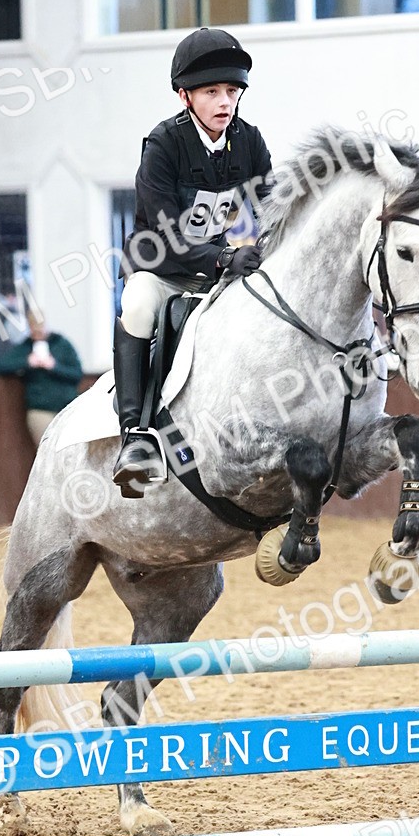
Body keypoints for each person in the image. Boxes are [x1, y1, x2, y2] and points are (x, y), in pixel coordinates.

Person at [113, 26, 274, 492]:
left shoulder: (249, 141)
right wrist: (225, 257)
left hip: (214, 272)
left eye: (232, 92)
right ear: (185, 96)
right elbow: (166, 233)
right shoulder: (162, 145)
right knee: (140, 305)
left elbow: (274, 207)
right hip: (160, 267)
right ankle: (134, 435)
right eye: (211, 92)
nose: (225, 102)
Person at [0, 313, 83, 445]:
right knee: (47, 450)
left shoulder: (62, 344)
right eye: (34, 330)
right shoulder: (25, 347)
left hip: (67, 408)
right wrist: (27, 362)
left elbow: (76, 373)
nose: (38, 333)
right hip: (40, 409)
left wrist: (54, 366)